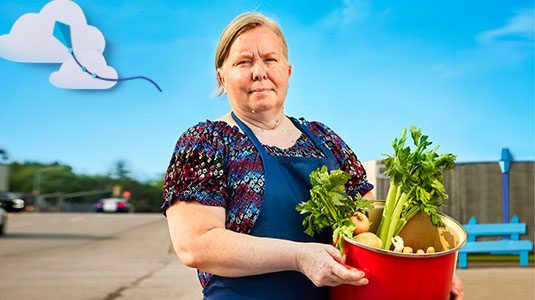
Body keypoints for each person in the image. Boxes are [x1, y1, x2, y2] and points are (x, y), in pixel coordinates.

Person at [162, 12, 464, 300]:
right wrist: (299, 257)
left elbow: (370, 230)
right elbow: (196, 245)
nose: (259, 72)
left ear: (288, 72)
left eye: (270, 59)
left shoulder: (325, 140)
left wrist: (428, 270)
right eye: (243, 62)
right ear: (222, 77)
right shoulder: (205, 144)